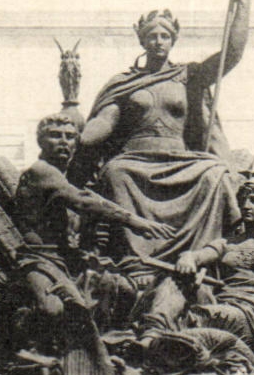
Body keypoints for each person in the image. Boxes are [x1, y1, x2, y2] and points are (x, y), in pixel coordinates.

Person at [75, 0, 251, 266]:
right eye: (152, 36)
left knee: (213, 174)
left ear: (173, 39)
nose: (158, 42)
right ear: (142, 40)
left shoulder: (189, 75)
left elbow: (231, 55)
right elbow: (106, 120)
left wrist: (243, 2)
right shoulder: (124, 83)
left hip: (180, 160)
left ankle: (199, 255)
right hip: (136, 160)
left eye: (165, 36)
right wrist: (82, 133)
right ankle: (135, 260)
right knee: (115, 172)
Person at [13, 112, 177, 317]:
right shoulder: (41, 171)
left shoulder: (64, 178)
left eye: (70, 136)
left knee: (118, 293)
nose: (63, 141)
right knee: (55, 311)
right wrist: (135, 221)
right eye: (55, 135)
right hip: (39, 259)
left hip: (66, 260)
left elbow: (90, 199)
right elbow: (84, 201)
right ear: (40, 141)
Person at [172, 170, 254, 346]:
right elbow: (199, 255)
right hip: (222, 302)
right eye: (243, 200)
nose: (246, 205)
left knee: (204, 318)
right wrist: (189, 258)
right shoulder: (226, 243)